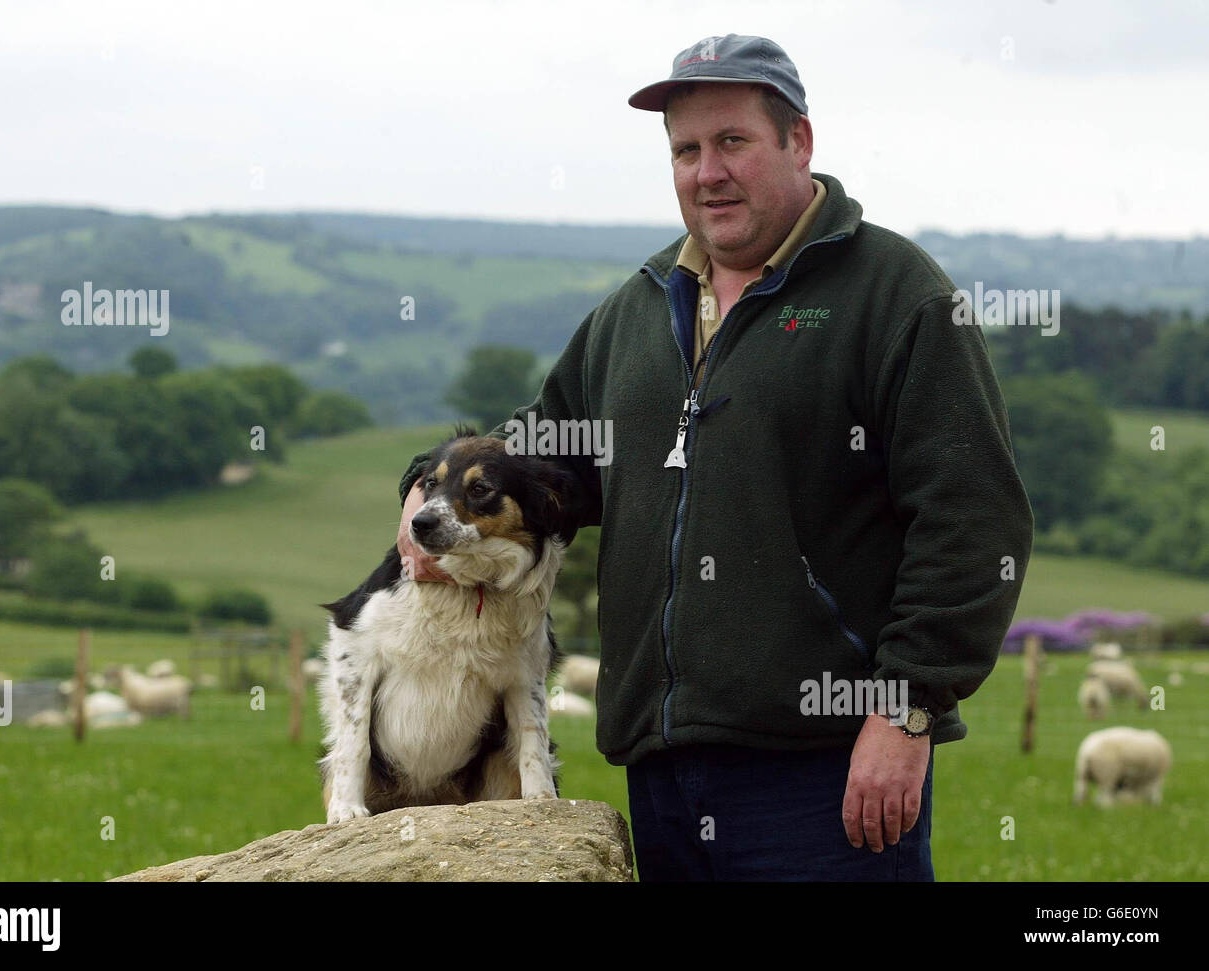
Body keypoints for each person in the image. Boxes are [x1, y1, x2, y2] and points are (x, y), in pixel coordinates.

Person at [395, 34, 1033, 881]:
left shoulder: (895, 294)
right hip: (660, 772)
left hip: (829, 771)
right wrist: (426, 486)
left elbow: (972, 519)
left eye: (733, 141)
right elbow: (543, 453)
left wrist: (906, 709)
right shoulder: (635, 308)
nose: (707, 172)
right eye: (686, 150)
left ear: (798, 141)